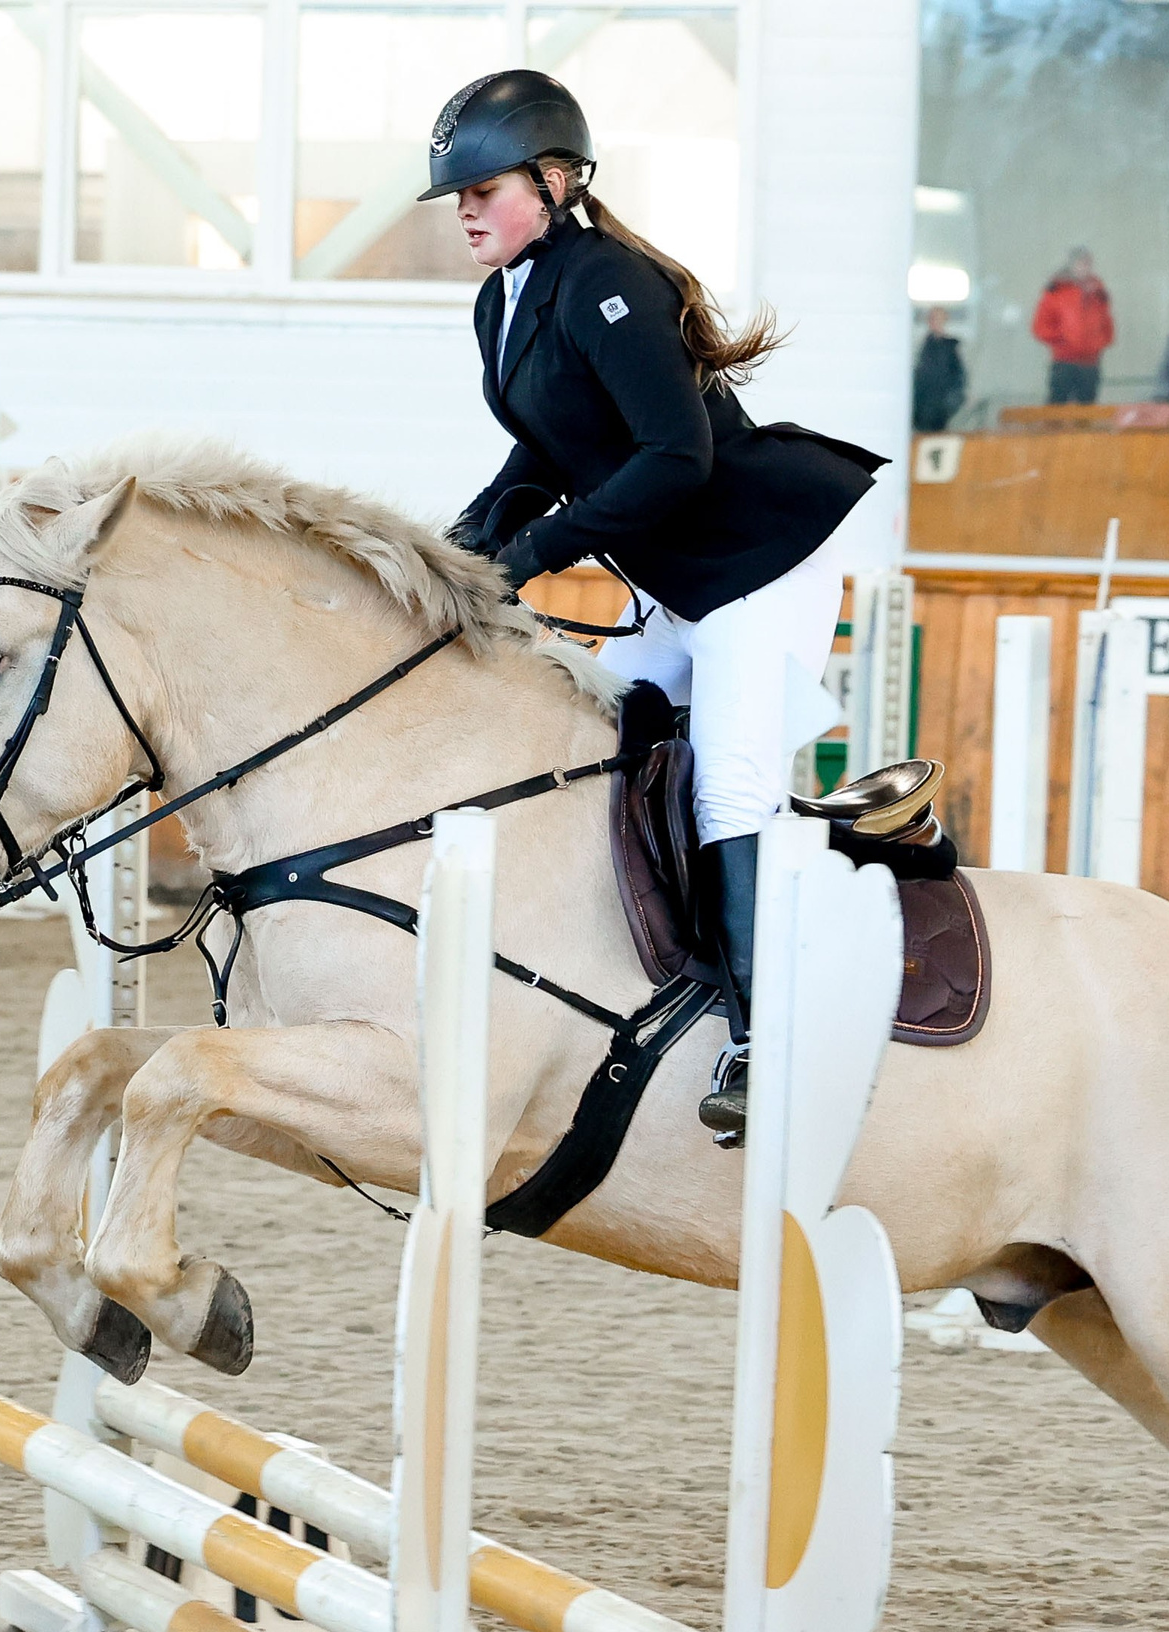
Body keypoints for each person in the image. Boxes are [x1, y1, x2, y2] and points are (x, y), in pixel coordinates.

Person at [427, 68, 886, 1134]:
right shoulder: (505, 299)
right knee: (588, 741)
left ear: (553, 183)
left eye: (482, 190)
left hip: (759, 564)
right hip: (680, 586)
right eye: (456, 196)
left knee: (729, 788)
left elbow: (676, 457)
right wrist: (457, 554)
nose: (464, 212)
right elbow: (541, 454)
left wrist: (536, 551)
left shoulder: (607, 280)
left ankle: (766, 1044)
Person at [1030, 248, 1114, 404]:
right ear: (1071, 265)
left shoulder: (1098, 293)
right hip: (1064, 362)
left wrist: (1099, 343)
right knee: (1057, 408)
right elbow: (1041, 326)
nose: (1085, 267)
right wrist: (1063, 339)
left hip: (1090, 362)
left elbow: (1107, 323)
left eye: (1087, 263)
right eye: (1080, 263)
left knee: (1087, 410)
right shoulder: (1056, 291)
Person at [912, 306, 967, 431]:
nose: (935, 322)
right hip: (922, 404)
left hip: (943, 406)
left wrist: (951, 401)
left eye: (938, 319)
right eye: (933, 319)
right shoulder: (922, 346)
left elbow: (959, 377)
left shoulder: (952, 347)